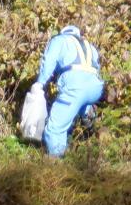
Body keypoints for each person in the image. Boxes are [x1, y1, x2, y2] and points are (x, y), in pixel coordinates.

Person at [33, 25, 103, 158]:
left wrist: (40, 83)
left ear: (63, 33)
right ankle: (87, 115)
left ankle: (57, 162)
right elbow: (96, 68)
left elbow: (48, 62)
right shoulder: (89, 45)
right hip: (95, 87)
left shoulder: (59, 40)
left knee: (54, 128)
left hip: (75, 87)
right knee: (79, 104)